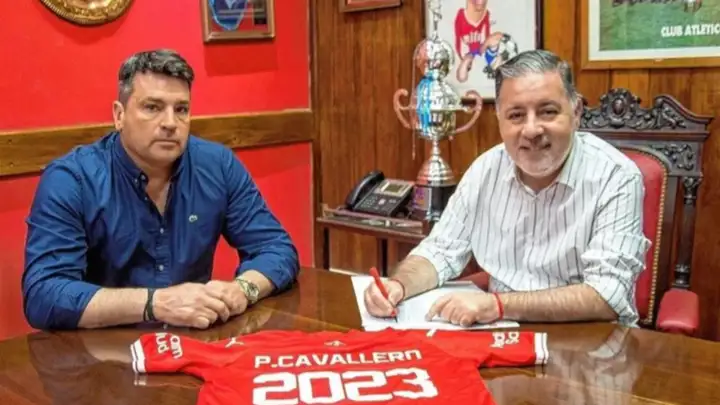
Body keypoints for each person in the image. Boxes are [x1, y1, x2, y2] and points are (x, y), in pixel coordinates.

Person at [364, 49, 651, 327]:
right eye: (516, 115)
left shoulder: (616, 176)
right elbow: (439, 251)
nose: (531, 130)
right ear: (499, 119)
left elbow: (607, 296)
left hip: (591, 341)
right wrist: (399, 285)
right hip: (502, 334)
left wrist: (498, 305)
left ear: (576, 112)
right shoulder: (485, 170)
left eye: (548, 112)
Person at [22, 49, 300, 331]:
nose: (170, 123)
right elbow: (44, 295)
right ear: (119, 115)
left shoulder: (218, 165)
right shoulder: (71, 179)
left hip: (194, 340)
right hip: (103, 347)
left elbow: (277, 248)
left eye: (181, 109)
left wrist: (243, 289)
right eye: (152, 107)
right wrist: (155, 304)